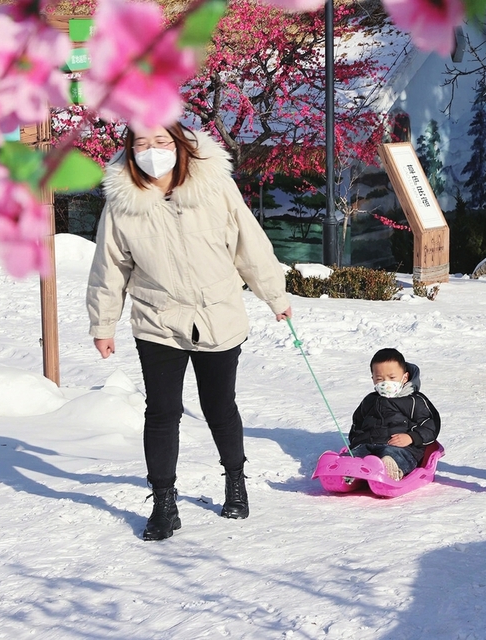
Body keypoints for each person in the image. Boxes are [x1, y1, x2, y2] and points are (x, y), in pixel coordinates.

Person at [87, 122, 292, 540]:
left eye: (161, 141)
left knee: (219, 407)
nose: (152, 150)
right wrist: (103, 323)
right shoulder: (122, 203)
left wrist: (275, 295)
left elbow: (249, 245)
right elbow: (109, 268)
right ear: (129, 149)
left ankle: (235, 480)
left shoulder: (214, 187)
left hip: (219, 314)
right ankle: (164, 502)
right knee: (162, 412)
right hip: (157, 319)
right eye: (141, 143)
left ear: (180, 145)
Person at [348, 348, 440, 481]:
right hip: (369, 445)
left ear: (405, 377)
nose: (385, 383)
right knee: (355, 455)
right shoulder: (370, 400)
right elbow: (357, 423)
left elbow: (430, 424)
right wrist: (357, 442)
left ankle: (390, 470)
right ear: (373, 379)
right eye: (379, 379)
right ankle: (348, 471)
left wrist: (411, 437)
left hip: (400, 447)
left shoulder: (414, 401)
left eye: (392, 378)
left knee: (393, 455)